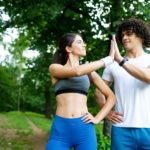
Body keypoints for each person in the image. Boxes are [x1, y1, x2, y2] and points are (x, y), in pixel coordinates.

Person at [46, 33, 116, 150]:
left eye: (83, 42)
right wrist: (108, 59)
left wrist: (98, 118)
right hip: (60, 131)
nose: (84, 45)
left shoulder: (89, 72)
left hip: (84, 129)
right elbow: (77, 71)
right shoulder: (55, 68)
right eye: (79, 42)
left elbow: (111, 97)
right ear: (68, 48)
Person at [95, 18, 150, 150]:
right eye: (123, 35)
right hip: (121, 130)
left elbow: (148, 77)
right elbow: (99, 92)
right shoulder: (112, 64)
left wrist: (121, 61)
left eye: (129, 33)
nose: (124, 37)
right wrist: (107, 113)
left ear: (141, 36)